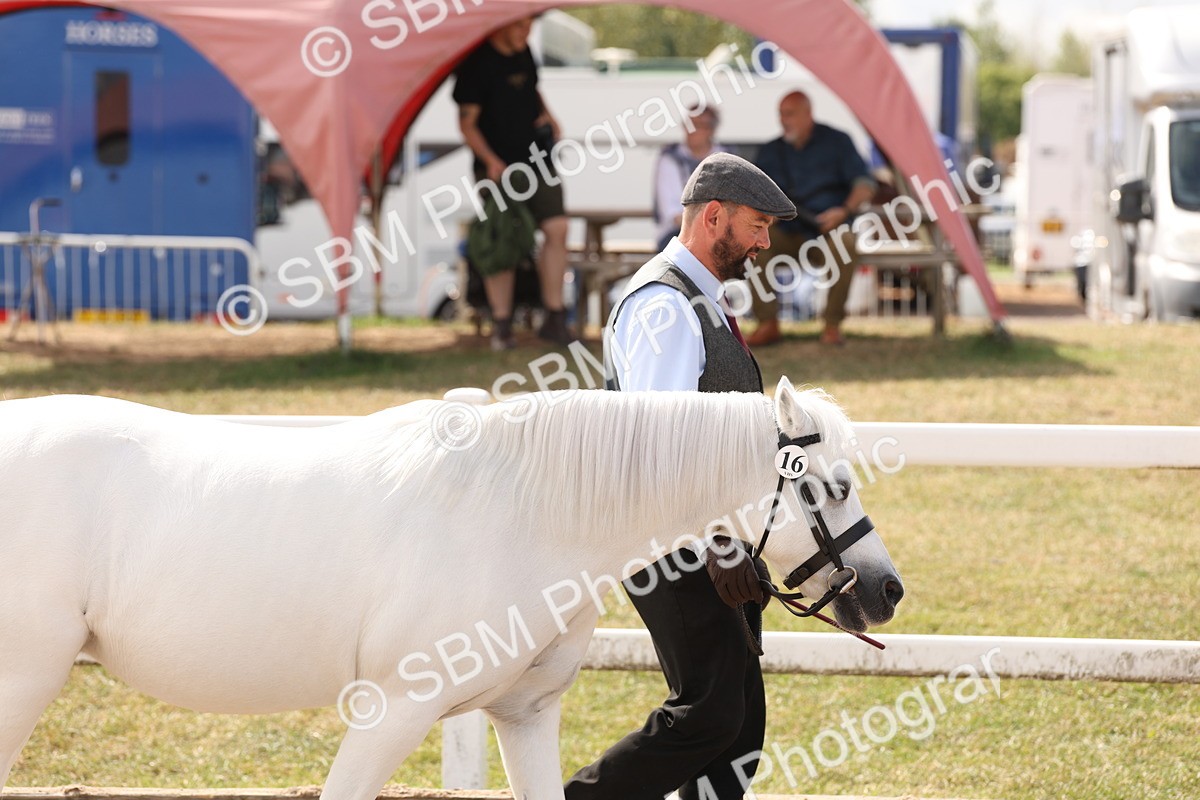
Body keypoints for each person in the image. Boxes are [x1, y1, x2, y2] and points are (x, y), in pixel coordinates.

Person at [564, 153, 797, 800]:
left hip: (709, 541)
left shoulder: (697, 298)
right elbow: (662, 445)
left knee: (739, 725)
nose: (763, 242)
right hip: (669, 543)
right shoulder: (664, 305)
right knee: (711, 714)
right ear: (713, 216)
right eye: (756, 225)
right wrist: (722, 546)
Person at [452, 15, 573, 350]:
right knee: (502, 240)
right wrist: (491, 161)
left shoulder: (524, 52)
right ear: (500, 23)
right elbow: (467, 124)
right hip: (497, 169)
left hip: (539, 161)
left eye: (529, 25)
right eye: (519, 25)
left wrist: (547, 114)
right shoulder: (477, 66)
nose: (526, 31)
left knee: (558, 229)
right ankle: (502, 324)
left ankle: (555, 316)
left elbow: (531, 88)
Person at [750, 90, 876, 346]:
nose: (784, 120)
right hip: (784, 230)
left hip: (827, 230)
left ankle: (832, 325)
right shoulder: (770, 151)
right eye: (781, 114)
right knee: (751, 242)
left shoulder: (838, 142)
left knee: (847, 244)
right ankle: (767, 323)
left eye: (790, 114)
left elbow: (865, 184)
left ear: (808, 114)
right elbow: (753, 192)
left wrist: (844, 211)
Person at [653, 106, 727, 251]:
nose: (691, 131)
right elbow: (672, 213)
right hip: (678, 233)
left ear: (711, 130)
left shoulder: (726, 158)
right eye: (688, 124)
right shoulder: (670, 158)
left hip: (720, 232)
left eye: (698, 126)